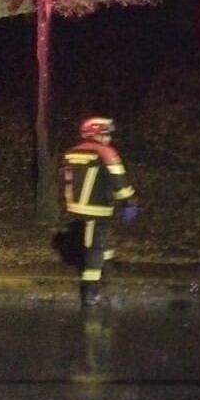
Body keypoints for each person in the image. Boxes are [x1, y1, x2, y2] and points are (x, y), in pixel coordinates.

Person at [62, 116, 137, 306]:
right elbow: (120, 182)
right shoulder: (106, 152)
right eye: (105, 134)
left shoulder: (72, 152)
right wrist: (129, 202)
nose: (108, 138)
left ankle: (108, 274)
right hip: (98, 209)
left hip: (76, 208)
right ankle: (91, 292)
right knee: (95, 248)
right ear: (95, 134)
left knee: (100, 243)